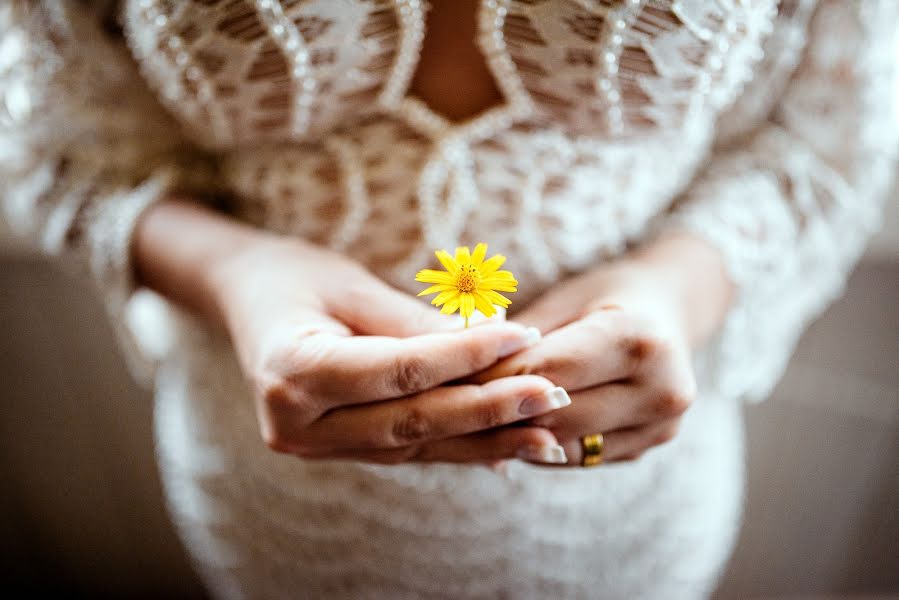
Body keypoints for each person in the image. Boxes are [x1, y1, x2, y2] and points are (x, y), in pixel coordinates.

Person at [2, 0, 896, 597]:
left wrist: (674, 286)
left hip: (623, 502)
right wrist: (236, 276)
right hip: (283, 495)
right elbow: (63, 149)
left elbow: (825, 142)